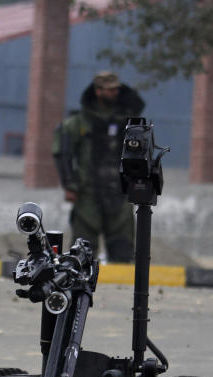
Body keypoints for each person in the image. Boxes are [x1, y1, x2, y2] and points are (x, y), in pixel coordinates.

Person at [52, 71, 145, 263]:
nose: (114, 93)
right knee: (82, 250)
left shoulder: (127, 120)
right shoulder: (80, 122)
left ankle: (120, 289)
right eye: (109, 90)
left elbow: (140, 152)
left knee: (123, 248)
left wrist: (137, 183)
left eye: (116, 90)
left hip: (120, 192)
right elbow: (63, 152)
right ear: (98, 91)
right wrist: (70, 184)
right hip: (87, 193)